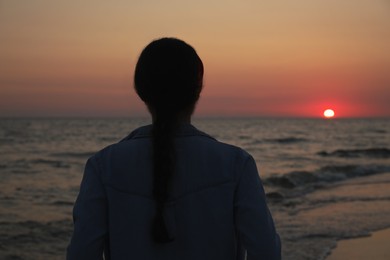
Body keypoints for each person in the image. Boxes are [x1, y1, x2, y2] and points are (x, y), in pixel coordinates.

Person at [67, 37, 281, 260]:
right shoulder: (236, 164)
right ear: (198, 88)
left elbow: (82, 253)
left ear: (141, 90)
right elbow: (266, 252)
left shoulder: (103, 166)